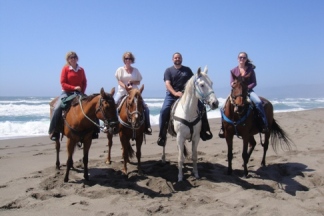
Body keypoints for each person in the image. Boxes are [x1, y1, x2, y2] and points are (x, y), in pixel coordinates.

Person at [157, 52, 213, 147]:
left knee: (202, 108)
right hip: (172, 95)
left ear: (181, 59)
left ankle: (204, 131)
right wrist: (175, 93)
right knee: (163, 111)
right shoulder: (168, 71)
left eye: (179, 58)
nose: (177, 59)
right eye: (175, 58)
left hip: (186, 95)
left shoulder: (187, 70)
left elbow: (193, 82)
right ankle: (162, 135)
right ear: (172, 59)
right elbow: (167, 84)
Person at [218, 51, 268, 138]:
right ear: (238, 59)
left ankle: (264, 123)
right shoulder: (233, 70)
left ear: (246, 59)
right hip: (236, 92)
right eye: (240, 57)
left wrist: (246, 88)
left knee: (258, 102)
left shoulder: (250, 70)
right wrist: (234, 85)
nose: (242, 59)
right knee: (222, 106)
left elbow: (254, 82)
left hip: (248, 91)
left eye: (244, 57)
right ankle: (223, 128)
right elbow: (231, 82)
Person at [48, 51, 88, 141]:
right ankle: (54, 131)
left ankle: (94, 131)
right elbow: (63, 83)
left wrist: (82, 91)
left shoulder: (81, 70)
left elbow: (84, 82)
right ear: (68, 60)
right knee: (57, 107)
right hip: (66, 92)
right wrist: (74, 87)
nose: (73, 59)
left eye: (74, 57)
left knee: (90, 105)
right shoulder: (65, 69)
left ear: (77, 58)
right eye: (71, 57)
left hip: (79, 93)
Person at [114, 51, 152, 135]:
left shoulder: (136, 70)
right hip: (122, 92)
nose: (128, 60)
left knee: (146, 108)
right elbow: (119, 81)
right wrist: (126, 87)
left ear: (132, 60)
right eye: (126, 58)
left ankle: (147, 127)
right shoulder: (120, 70)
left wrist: (132, 81)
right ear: (124, 60)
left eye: (130, 58)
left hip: (135, 92)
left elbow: (138, 82)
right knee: (113, 106)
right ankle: (114, 126)